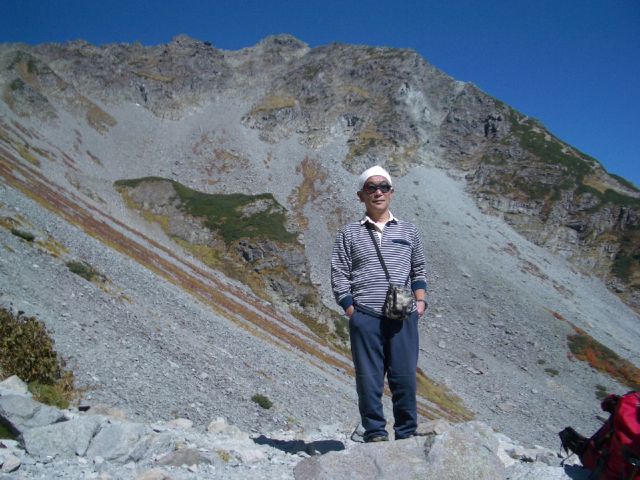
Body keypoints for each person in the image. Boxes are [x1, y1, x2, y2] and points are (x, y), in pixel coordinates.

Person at [331, 165, 427, 442]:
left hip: (404, 316)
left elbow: (419, 269)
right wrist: (351, 308)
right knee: (369, 379)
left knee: (404, 378)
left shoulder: (409, 230)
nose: (378, 192)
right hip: (365, 315)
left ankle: (406, 434)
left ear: (391, 192)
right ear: (361, 195)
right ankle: (374, 432)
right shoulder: (349, 233)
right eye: (371, 187)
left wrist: (420, 302)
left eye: (383, 186)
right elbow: (339, 272)